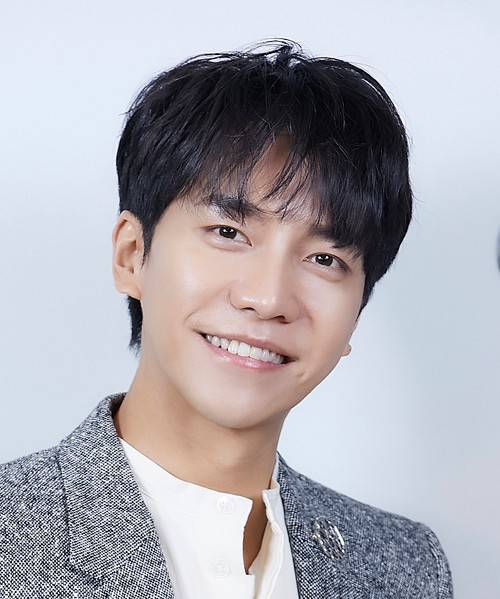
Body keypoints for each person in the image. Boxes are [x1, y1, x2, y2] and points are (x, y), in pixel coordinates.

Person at [0, 39, 453, 598]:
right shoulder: (14, 533)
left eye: (324, 259)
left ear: (355, 316)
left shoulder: (406, 568)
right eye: (228, 232)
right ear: (132, 256)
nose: (268, 298)